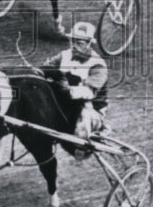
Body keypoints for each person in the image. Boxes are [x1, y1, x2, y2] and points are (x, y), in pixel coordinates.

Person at [42, 22, 108, 152]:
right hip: (65, 101)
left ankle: (82, 147)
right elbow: (46, 67)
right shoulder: (64, 55)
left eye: (79, 43)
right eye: (72, 41)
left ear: (90, 43)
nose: (74, 46)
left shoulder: (98, 65)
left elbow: (89, 92)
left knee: (81, 132)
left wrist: (69, 90)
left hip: (90, 107)